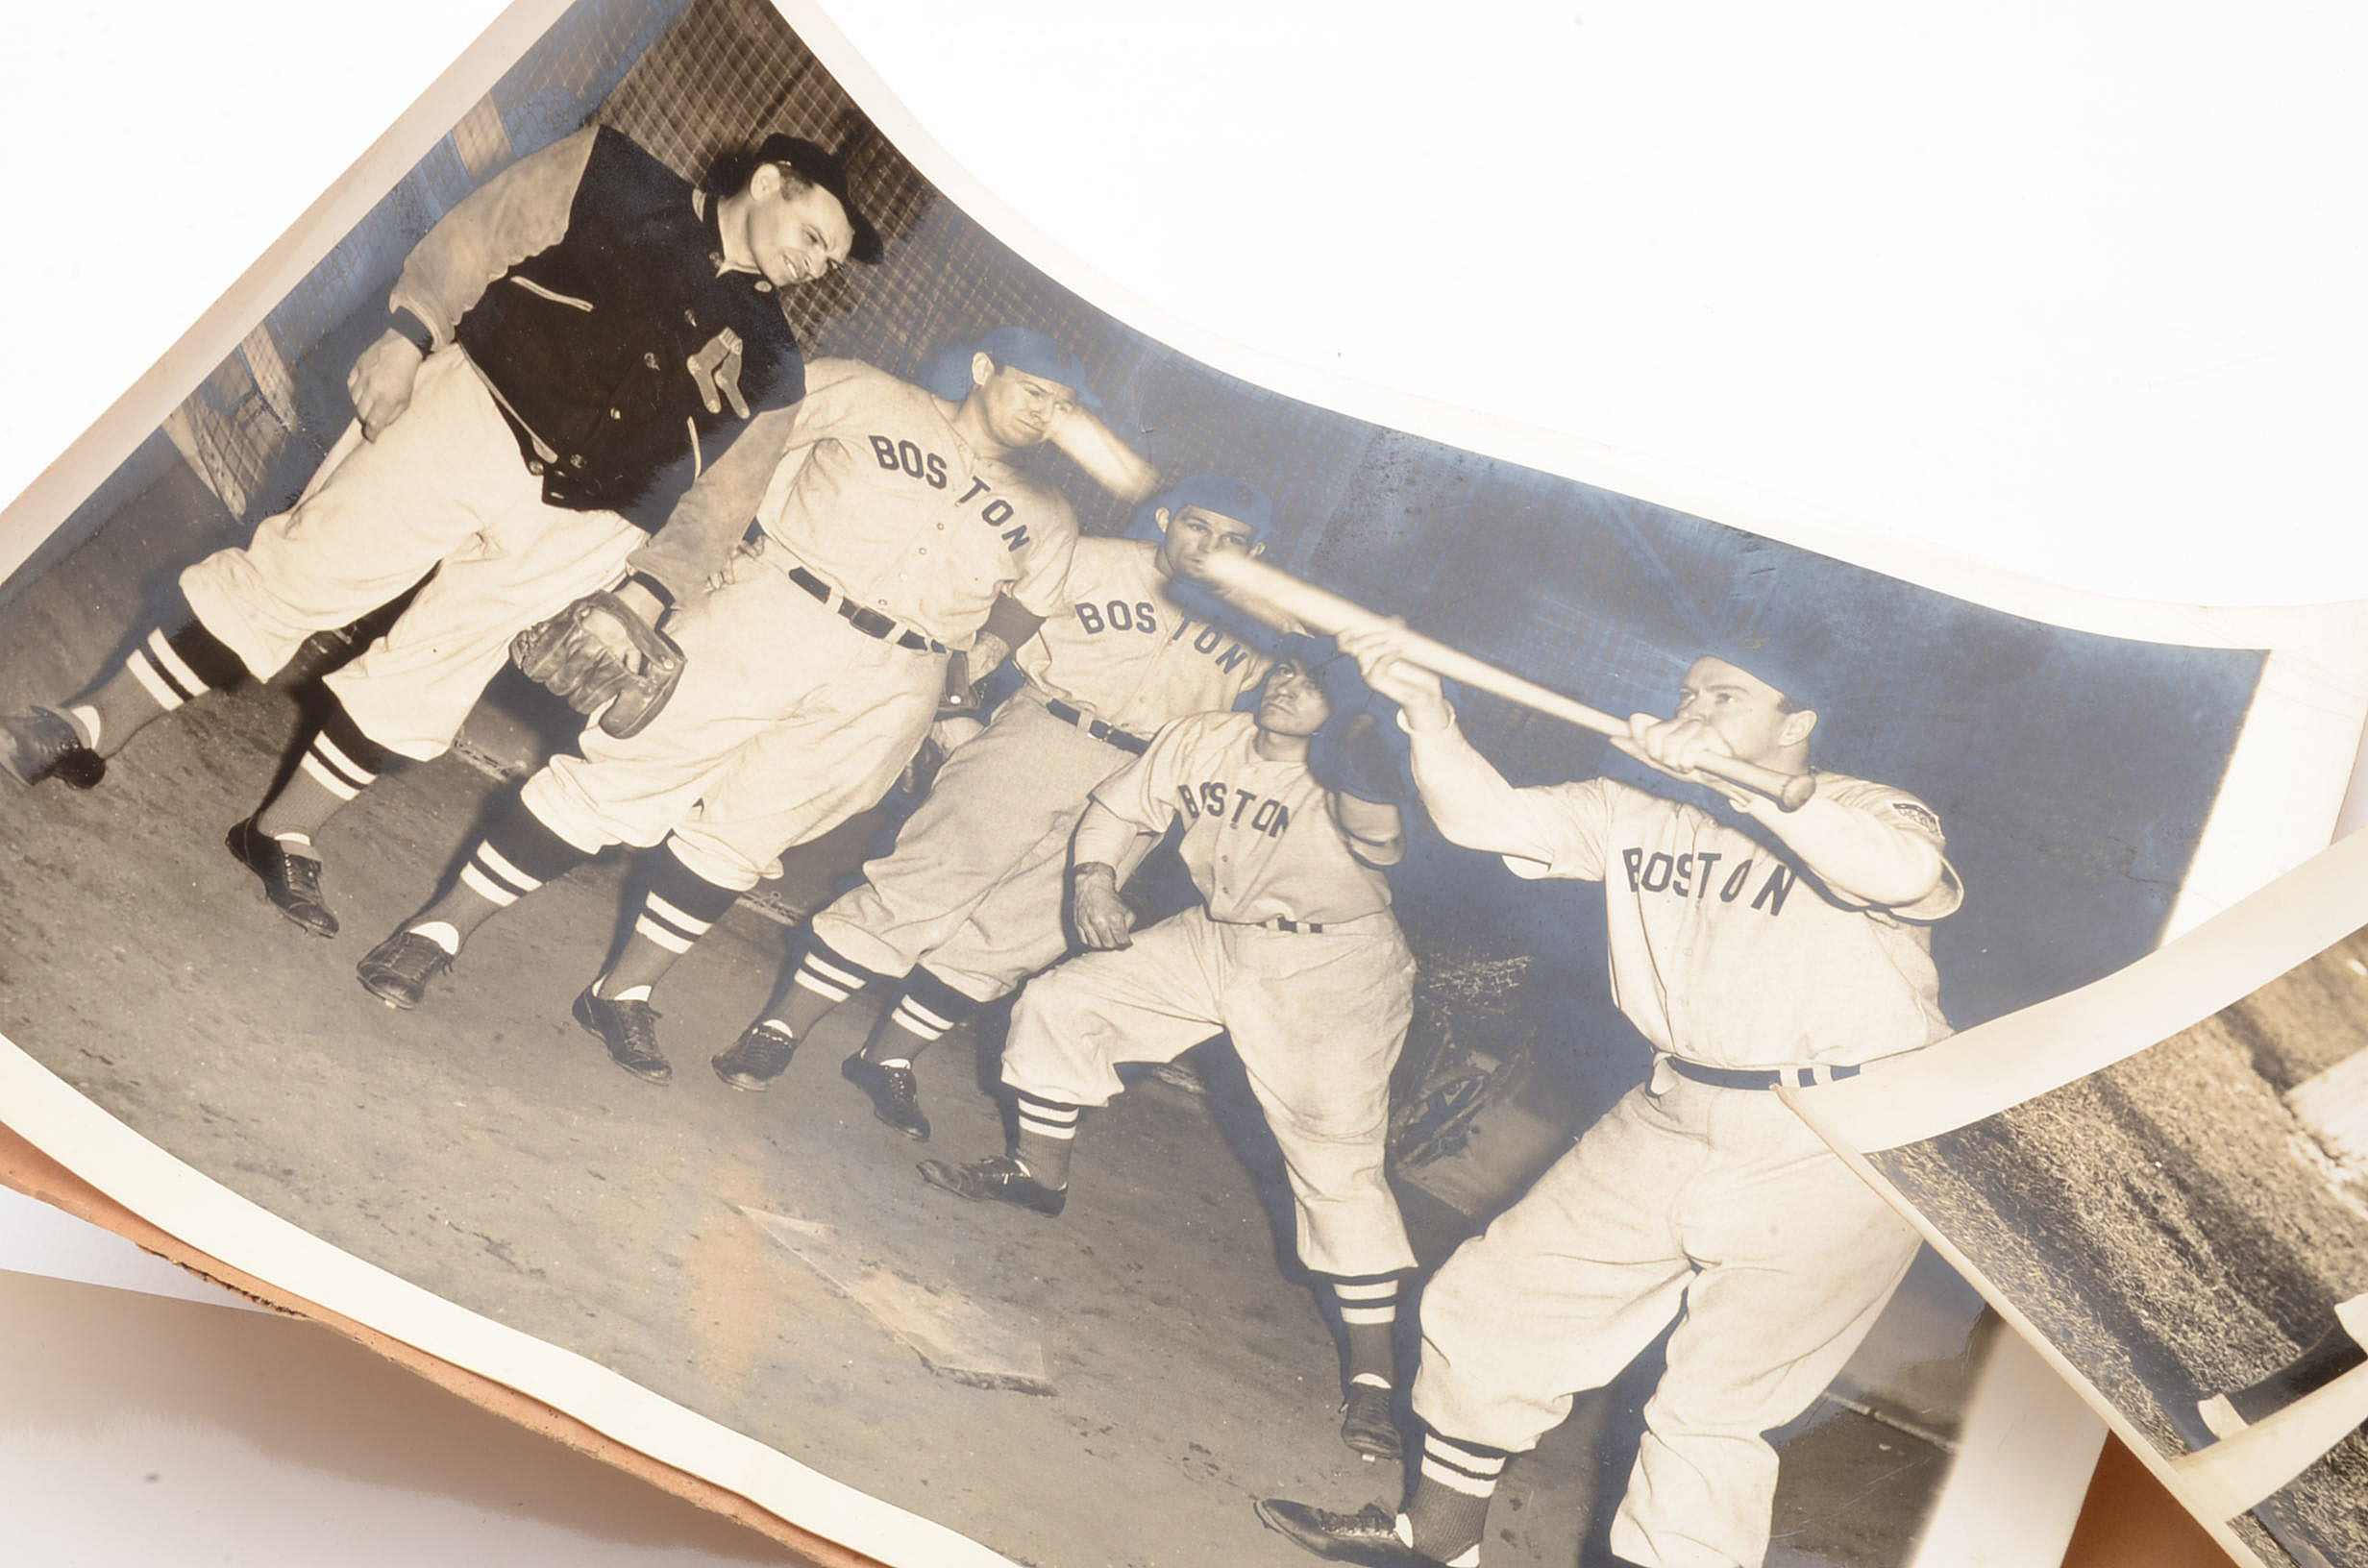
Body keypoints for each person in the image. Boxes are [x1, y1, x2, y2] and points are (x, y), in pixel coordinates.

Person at [0, 122, 876, 943]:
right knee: (299, 575)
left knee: (437, 672)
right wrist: (407, 336)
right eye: (813, 235)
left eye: (830, 261)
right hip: (477, 411)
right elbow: (476, 236)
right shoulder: (612, 172)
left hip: (595, 525)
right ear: (768, 181)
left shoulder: (776, 363)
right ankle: (83, 727)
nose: (816, 265)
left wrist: (644, 591)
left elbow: (725, 501)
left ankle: (283, 831)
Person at [1257, 628, 1962, 1568]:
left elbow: (1903, 877)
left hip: (1846, 1134)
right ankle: (1433, 1540)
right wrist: (1428, 718)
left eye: (1726, 697)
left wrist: (1751, 783)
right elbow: (1482, 819)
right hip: (1679, 1106)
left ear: (1798, 723)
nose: (1696, 710)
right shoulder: (1637, 811)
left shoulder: (1860, 807)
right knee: (1493, 1305)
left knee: (1711, 1410)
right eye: (1691, 691)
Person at [349, 328, 1156, 1092]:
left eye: (1060, 407)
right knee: (618, 777)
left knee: (747, 837)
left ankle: (622, 995)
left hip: (894, 677)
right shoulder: (866, 391)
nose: (1043, 414)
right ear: (985, 369)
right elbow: (743, 457)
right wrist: (692, 568)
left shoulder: (1052, 515)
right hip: (773, 605)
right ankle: (435, 932)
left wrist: (963, 673)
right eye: (1034, 391)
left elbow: (1029, 606)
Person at [919, 650, 1422, 1462]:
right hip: (1215, 937)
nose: (1290, 684)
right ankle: (1038, 1175)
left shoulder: (1354, 776)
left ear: (1350, 712)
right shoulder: (1205, 738)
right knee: (1062, 1002)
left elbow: (1380, 837)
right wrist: (1093, 879)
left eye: (1318, 684)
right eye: (1289, 669)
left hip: (1330, 967)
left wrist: (1371, 750)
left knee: (1335, 1169)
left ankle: (1374, 1385)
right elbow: (1120, 810)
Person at [713, 473, 1286, 1140]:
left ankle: (887, 1057)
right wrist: (952, 709)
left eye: (1232, 540)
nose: (1209, 546)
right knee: (921, 886)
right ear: (1163, 519)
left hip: (1146, 778)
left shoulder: (1262, 627)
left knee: (1022, 932)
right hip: (1046, 728)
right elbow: (979, 623)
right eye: (1197, 525)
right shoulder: (1092, 558)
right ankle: (778, 1028)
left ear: (1258, 552)